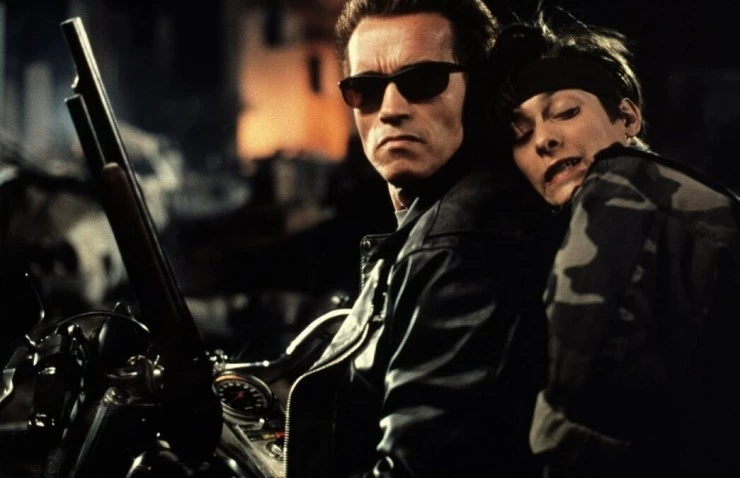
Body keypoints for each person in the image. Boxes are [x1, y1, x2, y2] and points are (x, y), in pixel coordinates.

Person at [283, 0, 549, 476]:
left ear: (479, 90)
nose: (390, 110)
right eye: (365, 89)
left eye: (423, 81)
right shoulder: (441, 221)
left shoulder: (460, 244)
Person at [487, 13, 740, 478]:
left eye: (566, 112)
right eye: (521, 134)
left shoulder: (621, 184)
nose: (544, 139)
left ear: (627, 117)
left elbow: (581, 430)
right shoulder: (668, 199)